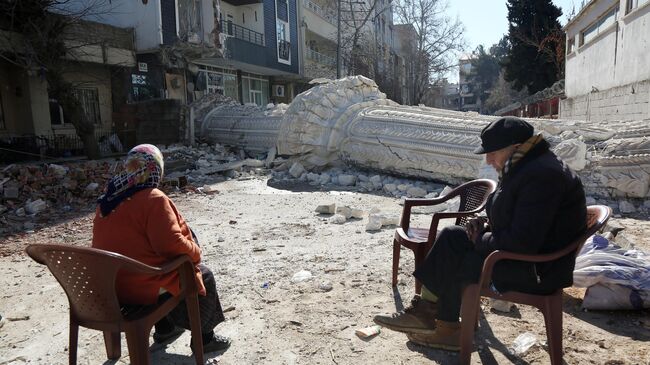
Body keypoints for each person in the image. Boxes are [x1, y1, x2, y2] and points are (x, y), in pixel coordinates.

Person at [373, 116, 587, 351]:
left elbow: (522, 243)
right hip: (523, 257)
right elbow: (520, 219)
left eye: (493, 152)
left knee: (456, 261)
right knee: (452, 235)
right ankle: (427, 312)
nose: (488, 159)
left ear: (515, 146)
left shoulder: (543, 175)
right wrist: (484, 224)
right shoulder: (525, 165)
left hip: (536, 271)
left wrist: (479, 238)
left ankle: (445, 329)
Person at [92, 144, 230, 353]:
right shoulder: (153, 199)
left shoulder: (107, 201)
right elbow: (171, 246)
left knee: (152, 261)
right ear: (156, 170)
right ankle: (205, 339)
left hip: (113, 286)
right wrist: (195, 252)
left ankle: (165, 329)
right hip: (140, 287)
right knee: (202, 274)